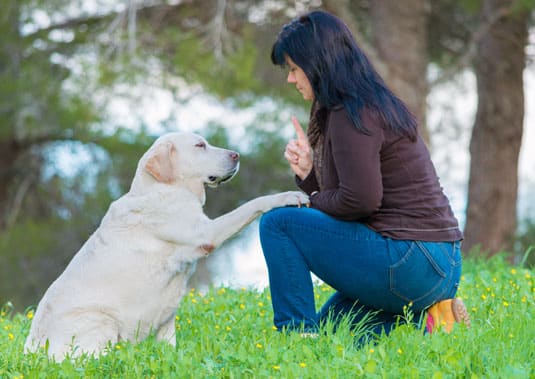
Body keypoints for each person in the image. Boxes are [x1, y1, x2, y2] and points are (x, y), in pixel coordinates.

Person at [259, 10, 471, 339]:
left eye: (294, 69)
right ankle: (434, 321)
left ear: (317, 64)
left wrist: (311, 198)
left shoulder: (351, 113)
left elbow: (359, 201)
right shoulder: (368, 103)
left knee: (278, 223)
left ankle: (295, 337)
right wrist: (309, 175)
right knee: (333, 330)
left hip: (411, 258)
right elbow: (351, 198)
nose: (291, 79)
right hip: (439, 264)